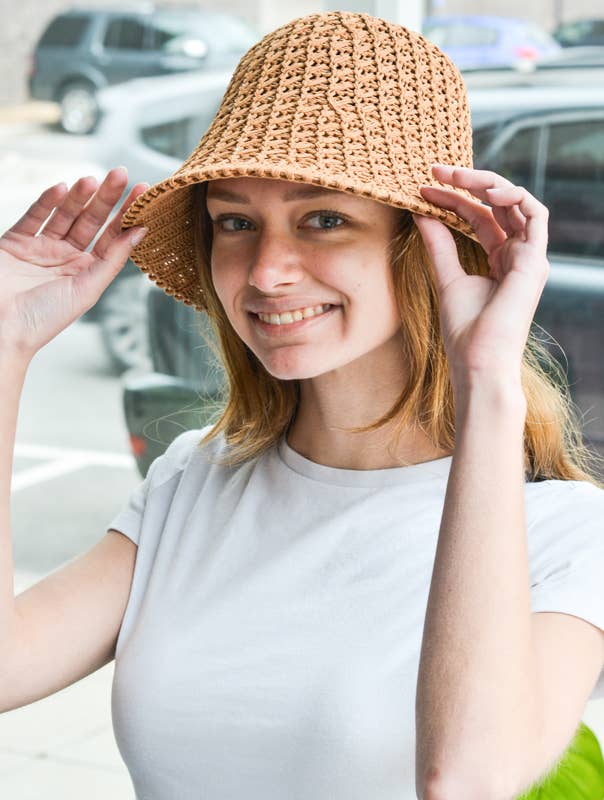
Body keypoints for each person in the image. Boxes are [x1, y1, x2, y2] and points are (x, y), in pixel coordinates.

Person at [1, 10, 603, 800]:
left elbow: (467, 778)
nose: (268, 270)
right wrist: (6, 346)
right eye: (236, 222)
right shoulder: (194, 482)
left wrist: (485, 375)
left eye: (324, 218)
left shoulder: (568, 535)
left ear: (422, 246)